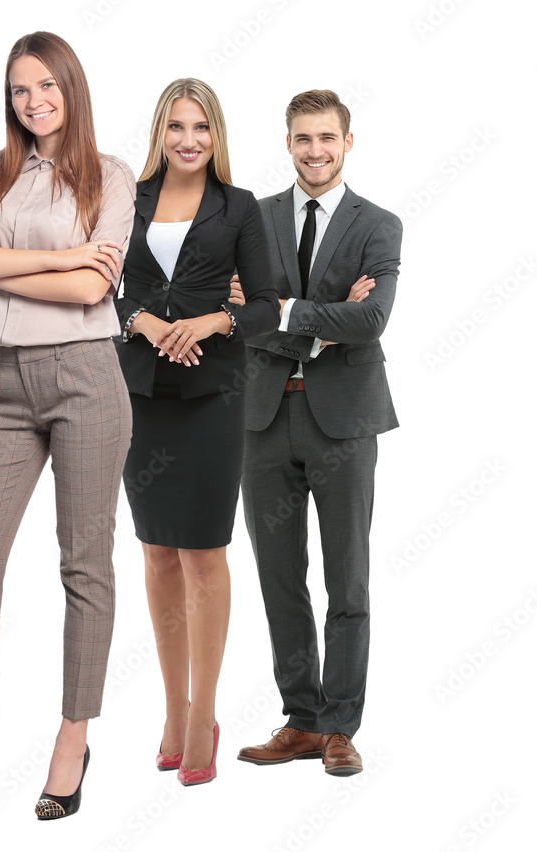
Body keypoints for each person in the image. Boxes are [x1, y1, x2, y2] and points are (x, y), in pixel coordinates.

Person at [0, 31, 136, 826]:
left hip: (87, 378)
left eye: (45, 86)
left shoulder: (109, 175)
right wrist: (53, 261)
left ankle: (74, 736)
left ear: (71, 88)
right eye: (19, 89)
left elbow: (91, 288)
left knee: (84, 565)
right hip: (3, 381)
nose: (32, 101)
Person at [114, 78, 279, 787]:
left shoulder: (239, 208)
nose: (188, 140)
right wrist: (147, 321)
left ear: (216, 136)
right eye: (177, 126)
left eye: (201, 128)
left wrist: (211, 322)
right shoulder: (125, 199)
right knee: (156, 553)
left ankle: (206, 711)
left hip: (213, 393)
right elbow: (102, 283)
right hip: (142, 393)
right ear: (160, 131)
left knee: (203, 554)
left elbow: (268, 305)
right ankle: (175, 710)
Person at [233, 89, 402, 776]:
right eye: (303, 138)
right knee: (279, 578)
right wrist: (321, 325)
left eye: (327, 138)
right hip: (263, 419)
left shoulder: (378, 224)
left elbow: (372, 322)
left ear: (348, 142)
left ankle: (340, 727)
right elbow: (237, 314)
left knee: (348, 580)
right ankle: (301, 720)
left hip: (345, 423)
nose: (315, 151)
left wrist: (284, 311)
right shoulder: (253, 217)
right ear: (288, 142)